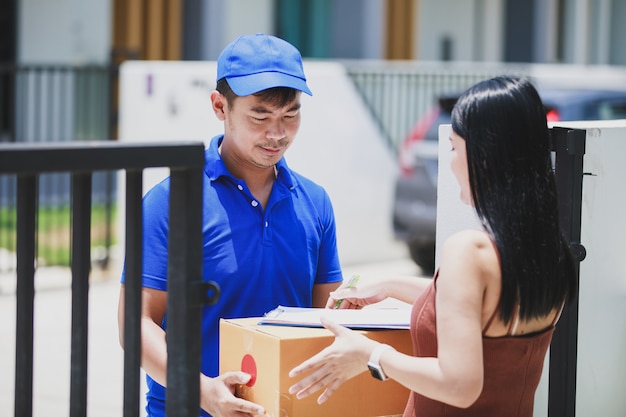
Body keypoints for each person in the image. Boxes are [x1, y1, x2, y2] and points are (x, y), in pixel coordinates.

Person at [288, 76, 577, 416]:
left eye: (454, 147)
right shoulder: (551, 253)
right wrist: (390, 285)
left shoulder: (469, 252)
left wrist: (370, 354)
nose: (450, 162)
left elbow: (459, 385)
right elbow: (477, 305)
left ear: (485, 156)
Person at [117, 33, 343, 417]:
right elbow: (136, 323)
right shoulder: (171, 202)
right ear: (220, 106)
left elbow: (328, 319)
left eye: (291, 115)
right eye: (260, 116)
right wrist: (202, 390)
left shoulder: (315, 202)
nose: (278, 133)